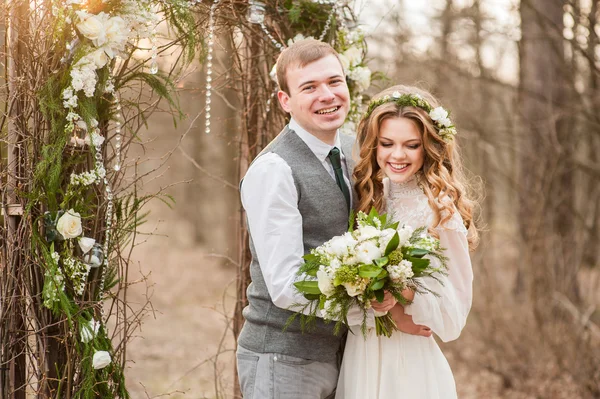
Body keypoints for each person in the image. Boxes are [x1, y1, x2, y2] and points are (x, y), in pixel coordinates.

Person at [336, 85, 479, 399]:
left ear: (428, 147)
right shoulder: (371, 197)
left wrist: (402, 293)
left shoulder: (440, 210)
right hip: (362, 352)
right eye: (387, 143)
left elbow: (453, 316)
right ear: (373, 145)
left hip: (406, 364)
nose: (397, 155)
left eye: (411, 145)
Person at [235, 38, 355, 399]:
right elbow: (287, 285)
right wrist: (366, 311)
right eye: (309, 87)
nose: (327, 95)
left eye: (334, 82)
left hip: (342, 356)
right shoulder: (274, 169)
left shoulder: (352, 149)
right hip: (282, 359)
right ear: (285, 101)